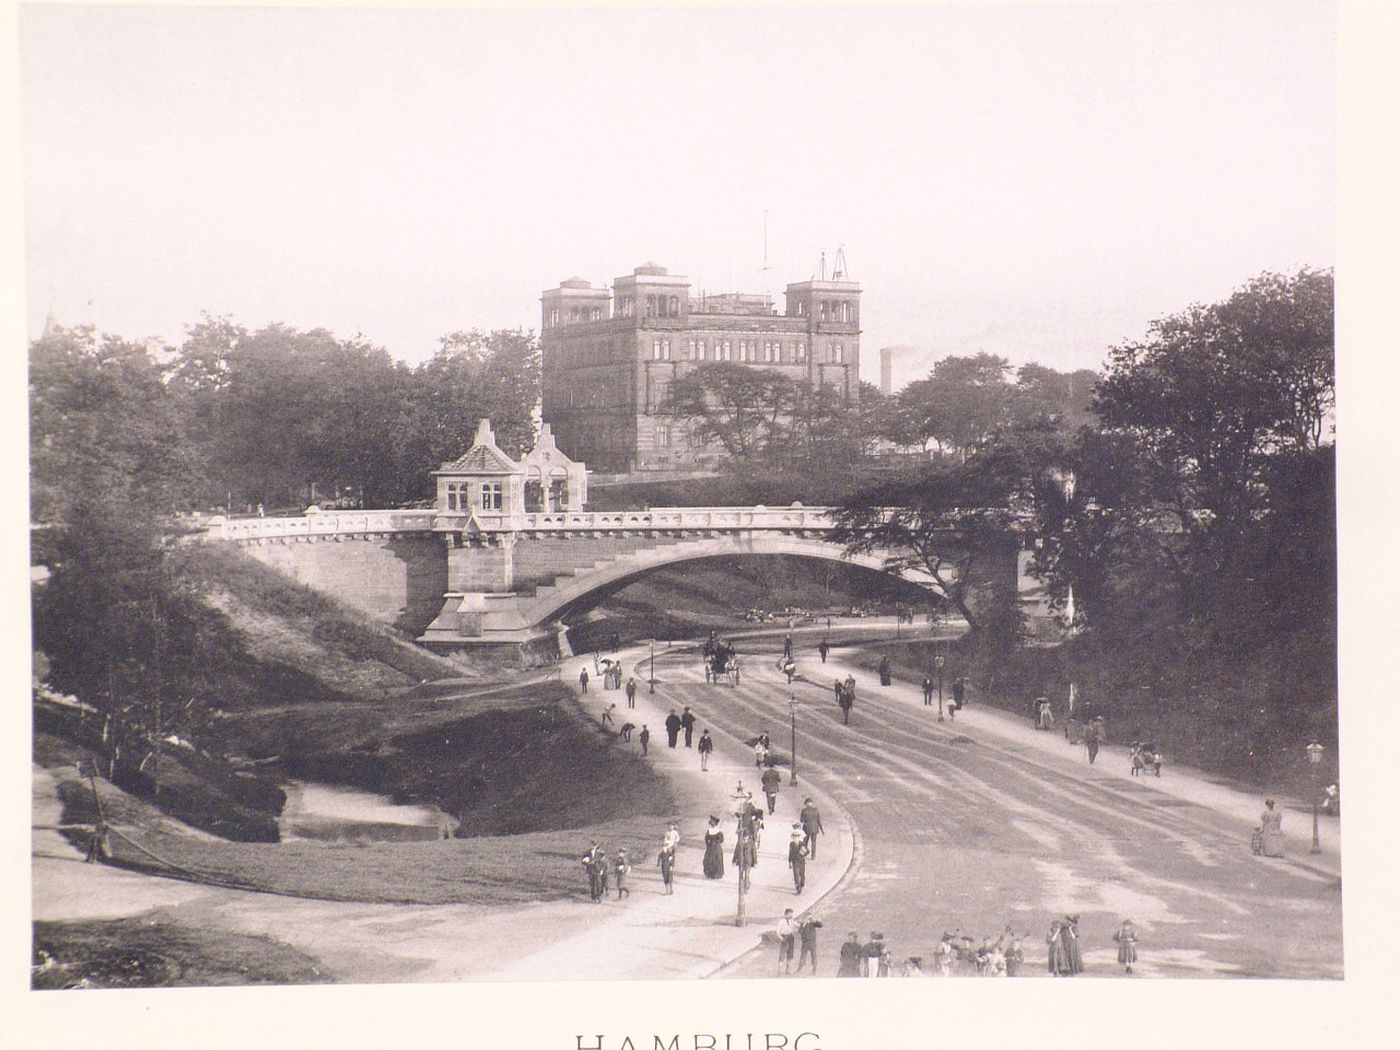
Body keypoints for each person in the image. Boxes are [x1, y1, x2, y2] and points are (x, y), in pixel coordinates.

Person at [788, 823, 808, 893]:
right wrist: (789, 862)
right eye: (794, 837)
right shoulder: (792, 844)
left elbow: (807, 851)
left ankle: (802, 882)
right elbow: (790, 853)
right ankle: (798, 888)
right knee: (796, 874)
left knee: (801, 873)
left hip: (801, 860)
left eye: (797, 837)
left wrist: (802, 853)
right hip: (794, 861)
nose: (796, 838)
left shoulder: (802, 844)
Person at [777, 909, 798, 974]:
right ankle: (779, 970)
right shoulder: (781, 921)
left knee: (790, 954)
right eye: (790, 914)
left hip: (791, 938)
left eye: (792, 914)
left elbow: (797, 925)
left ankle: (787, 970)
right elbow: (778, 931)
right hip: (784, 937)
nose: (791, 915)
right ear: (786, 914)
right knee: (782, 954)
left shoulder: (792, 921)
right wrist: (781, 938)